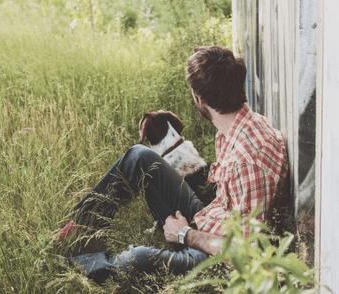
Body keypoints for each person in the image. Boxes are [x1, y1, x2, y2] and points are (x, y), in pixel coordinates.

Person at [58, 46, 289, 284]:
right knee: (139, 156)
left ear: (199, 99)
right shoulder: (238, 125)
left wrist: (185, 234)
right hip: (215, 221)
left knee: (137, 258)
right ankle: (77, 229)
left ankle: (66, 266)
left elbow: (243, 254)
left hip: (218, 260)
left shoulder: (247, 160)